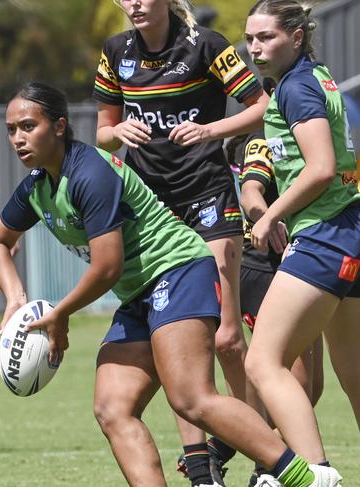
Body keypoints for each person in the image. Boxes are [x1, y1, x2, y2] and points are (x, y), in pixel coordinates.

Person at [0, 80, 333, 487]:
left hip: (178, 269)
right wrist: (15, 297)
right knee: (113, 408)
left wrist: (60, 314)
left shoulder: (89, 172)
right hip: (138, 292)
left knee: (191, 398)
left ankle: (305, 479)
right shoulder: (37, 187)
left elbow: (107, 267)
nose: (18, 138)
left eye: (28, 126)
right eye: (11, 130)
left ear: (59, 126)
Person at [92, 1, 270, 483]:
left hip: (208, 198)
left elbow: (262, 107)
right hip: (151, 211)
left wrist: (210, 129)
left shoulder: (207, 46)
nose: (135, 3)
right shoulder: (115, 51)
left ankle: (266, 454)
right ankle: (201, 468)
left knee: (228, 339)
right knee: (172, 339)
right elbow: (102, 132)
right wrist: (116, 132)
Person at [243, 1, 360, 486]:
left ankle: (316, 475)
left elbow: (320, 167)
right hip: (358, 230)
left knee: (262, 363)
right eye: (251, 39)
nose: (255, 48)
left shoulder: (297, 87)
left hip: (325, 234)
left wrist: (270, 216)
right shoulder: (312, 75)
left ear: (297, 37)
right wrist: (214, 131)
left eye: (267, 38)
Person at [229, 126, 324, 486]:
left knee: (312, 388)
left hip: (296, 264)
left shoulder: (306, 136)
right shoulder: (263, 138)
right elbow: (250, 188)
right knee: (289, 379)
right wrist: (265, 218)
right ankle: (266, 468)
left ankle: (244, 454)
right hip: (264, 266)